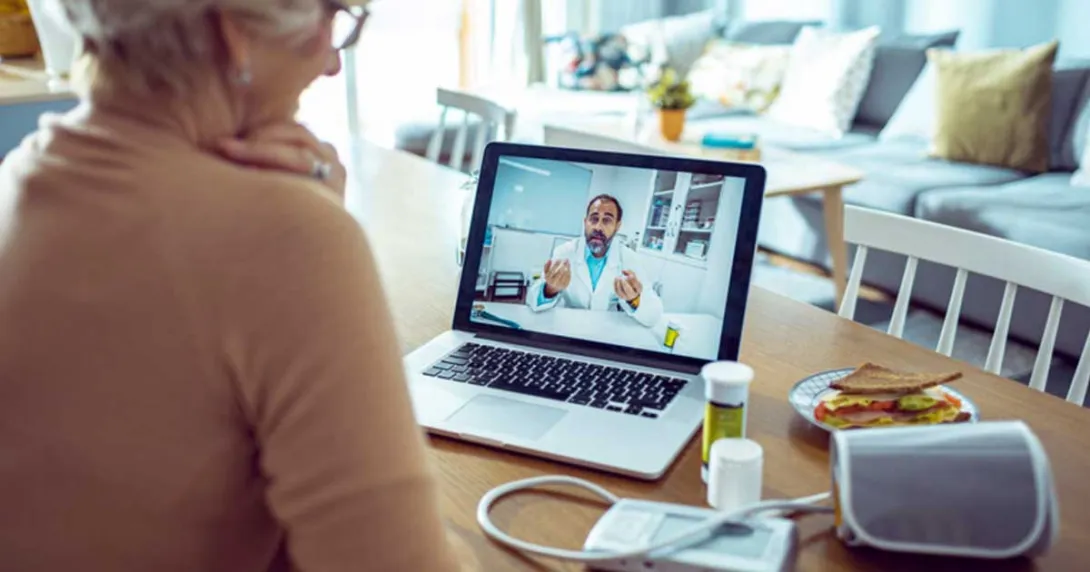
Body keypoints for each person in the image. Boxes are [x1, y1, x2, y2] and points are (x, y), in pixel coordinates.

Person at [0, 1, 464, 571]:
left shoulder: (16, 181)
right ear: (234, 35)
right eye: (332, 18)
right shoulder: (287, 240)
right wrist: (308, 224)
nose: (331, 66)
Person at [527, 194, 664, 327]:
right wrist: (550, 289)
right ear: (585, 222)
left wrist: (634, 300)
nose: (598, 227)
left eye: (607, 220)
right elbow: (532, 301)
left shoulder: (629, 259)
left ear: (617, 226)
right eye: (594, 219)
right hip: (570, 326)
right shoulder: (564, 252)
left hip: (608, 331)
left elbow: (653, 316)